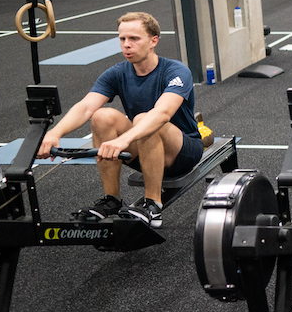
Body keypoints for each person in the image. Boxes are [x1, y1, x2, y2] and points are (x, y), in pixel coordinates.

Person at [37, 12, 203, 228]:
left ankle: (153, 205)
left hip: (182, 151)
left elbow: (161, 114)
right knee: (102, 116)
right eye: (122, 39)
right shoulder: (117, 73)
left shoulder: (176, 71)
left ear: (154, 41)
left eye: (134, 39)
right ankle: (111, 201)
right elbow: (86, 106)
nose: (126, 45)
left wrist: (123, 141)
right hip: (146, 150)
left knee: (145, 119)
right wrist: (54, 133)